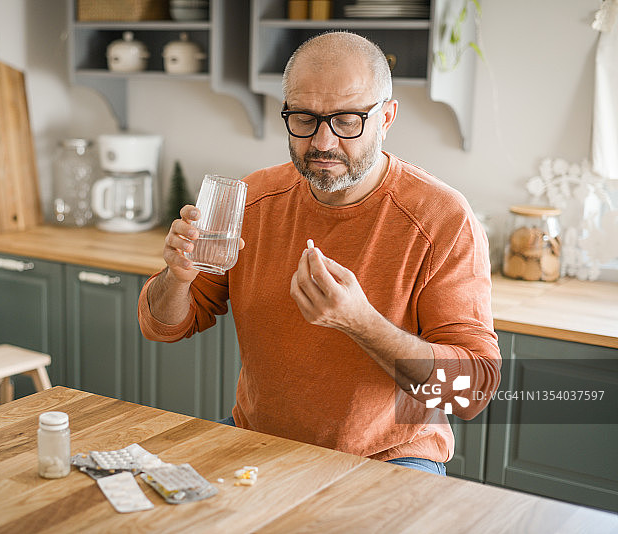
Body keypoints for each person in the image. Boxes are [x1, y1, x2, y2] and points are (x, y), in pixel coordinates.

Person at [137, 31, 501, 476]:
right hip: (258, 441)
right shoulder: (253, 199)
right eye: (305, 118)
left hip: (391, 458)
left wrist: (360, 322)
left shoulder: (442, 218)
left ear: (386, 117)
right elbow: (163, 327)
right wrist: (177, 277)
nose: (323, 143)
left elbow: (472, 394)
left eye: (347, 120)